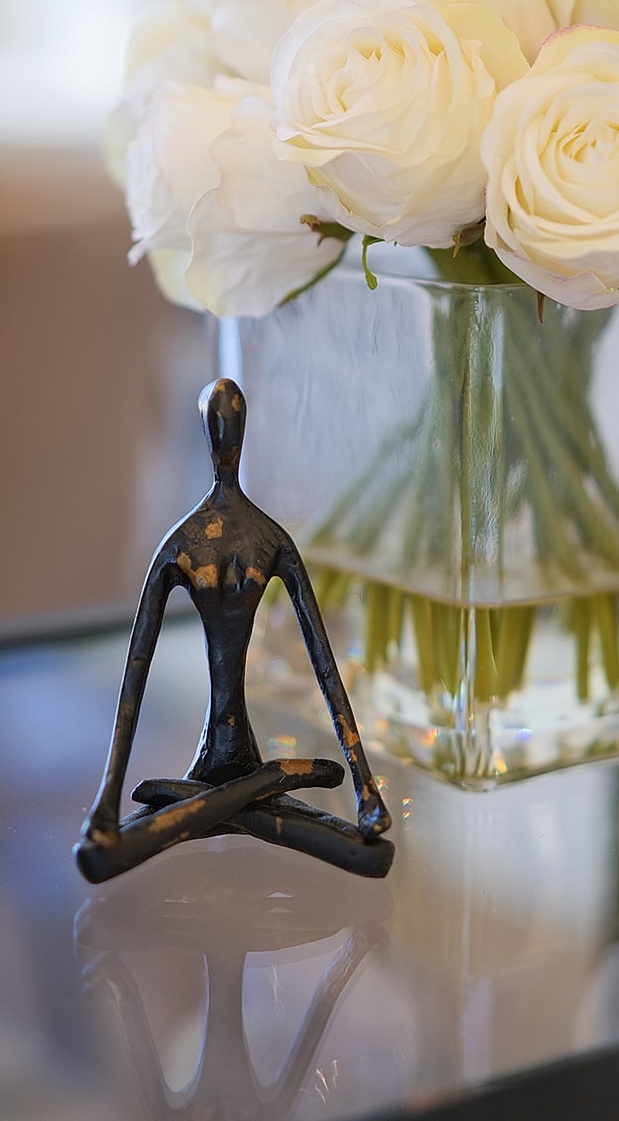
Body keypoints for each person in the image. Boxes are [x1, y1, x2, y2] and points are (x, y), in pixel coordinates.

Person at [75, 378, 393, 883]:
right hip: (239, 763)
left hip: (212, 769)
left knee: (372, 855)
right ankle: (260, 785)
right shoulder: (256, 537)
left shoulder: (206, 538)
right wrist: (106, 804)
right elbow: (135, 672)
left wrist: (366, 792)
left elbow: (323, 661)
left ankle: (238, 792)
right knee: (100, 854)